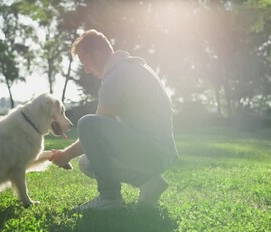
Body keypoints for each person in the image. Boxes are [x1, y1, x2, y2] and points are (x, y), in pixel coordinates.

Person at [49, 29, 178, 211]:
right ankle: (149, 182)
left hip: (152, 152)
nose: (86, 69)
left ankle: (109, 198)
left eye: (86, 62)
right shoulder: (134, 67)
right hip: (160, 152)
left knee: (87, 123)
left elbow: (95, 128)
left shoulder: (117, 75)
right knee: (87, 163)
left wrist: (65, 155)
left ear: (98, 54)